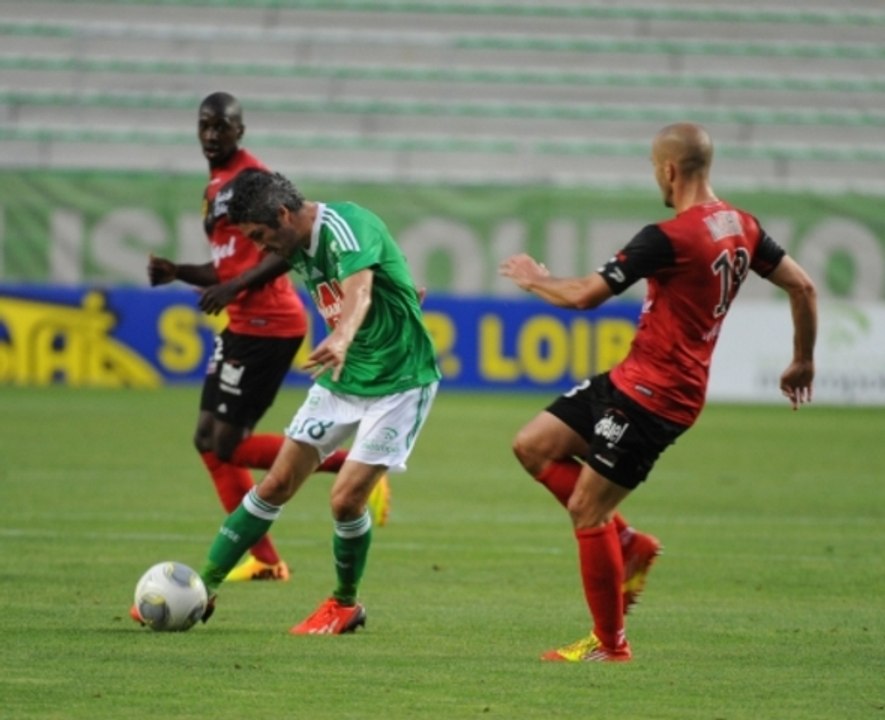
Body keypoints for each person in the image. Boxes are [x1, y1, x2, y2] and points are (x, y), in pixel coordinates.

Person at [499, 122, 817, 662]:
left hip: (656, 397)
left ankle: (610, 644)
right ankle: (628, 543)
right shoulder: (742, 226)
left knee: (586, 510)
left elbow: (583, 297)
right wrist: (803, 360)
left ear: (669, 169)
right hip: (632, 376)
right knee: (532, 445)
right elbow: (803, 285)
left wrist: (533, 279)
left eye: (655, 170)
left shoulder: (668, 237)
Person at [145, 92, 392, 586]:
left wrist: (234, 286)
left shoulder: (249, 183)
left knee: (227, 444)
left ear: (240, 130)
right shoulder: (217, 185)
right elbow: (232, 263)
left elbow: (284, 249)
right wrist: (180, 272)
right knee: (208, 441)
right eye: (205, 125)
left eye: (222, 126)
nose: (212, 135)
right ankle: (264, 558)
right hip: (241, 321)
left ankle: (360, 469)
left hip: (269, 324)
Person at [196, 168, 441, 634]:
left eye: (262, 236)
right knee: (274, 485)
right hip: (342, 380)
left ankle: (344, 604)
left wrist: (344, 335)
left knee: (345, 500)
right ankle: (201, 587)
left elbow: (360, 288)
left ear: (285, 215)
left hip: (400, 382)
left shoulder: (346, 226)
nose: (262, 247)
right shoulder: (292, 243)